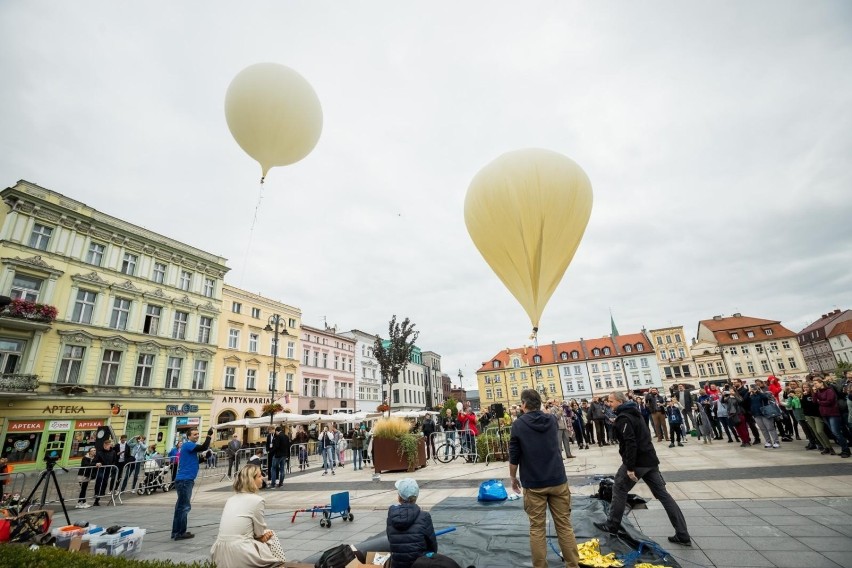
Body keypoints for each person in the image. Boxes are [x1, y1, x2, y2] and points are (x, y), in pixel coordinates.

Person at [594, 391, 691, 547]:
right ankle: (682, 533)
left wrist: (630, 467)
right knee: (663, 495)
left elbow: (631, 443)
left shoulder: (624, 418)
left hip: (637, 462)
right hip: (650, 460)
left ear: (619, 401)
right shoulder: (634, 413)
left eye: (611, 401)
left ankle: (612, 525)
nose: (608, 404)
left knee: (619, 488)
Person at [509, 389, 580, 568]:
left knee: (537, 528)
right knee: (564, 525)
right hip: (557, 479)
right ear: (539, 403)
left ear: (523, 404)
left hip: (534, 483)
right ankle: (573, 564)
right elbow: (550, 414)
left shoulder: (518, 425)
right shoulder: (551, 420)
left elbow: (514, 456)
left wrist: (512, 477)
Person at [210, 463, 286, 567]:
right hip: (241, 553)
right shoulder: (257, 500)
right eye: (259, 476)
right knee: (271, 535)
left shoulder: (230, 499)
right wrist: (261, 536)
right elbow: (259, 533)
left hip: (220, 552)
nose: (262, 478)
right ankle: (280, 563)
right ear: (251, 480)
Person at [171, 427, 214, 540]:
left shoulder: (189, 447)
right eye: (194, 434)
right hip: (185, 480)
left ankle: (176, 532)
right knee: (184, 507)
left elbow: (195, 461)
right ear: (188, 436)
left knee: (180, 507)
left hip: (184, 480)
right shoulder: (188, 445)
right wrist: (209, 435)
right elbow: (204, 446)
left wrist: (205, 458)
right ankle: (180, 533)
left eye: (198, 434)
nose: (197, 436)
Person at [386, 478, 437, 568]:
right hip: (419, 564)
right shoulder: (424, 516)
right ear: (416, 497)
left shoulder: (391, 517)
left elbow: (391, 539)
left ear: (399, 497)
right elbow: (432, 545)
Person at [93, 438, 117, 506]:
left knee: (105, 481)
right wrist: (97, 463)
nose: (106, 446)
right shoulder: (100, 452)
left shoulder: (113, 452)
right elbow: (95, 460)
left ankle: (101, 493)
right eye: (105, 445)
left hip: (108, 469)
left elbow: (114, 461)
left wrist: (113, 467)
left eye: (108, 445)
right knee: (99, 480)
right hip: (101, 468)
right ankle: (97, 495)